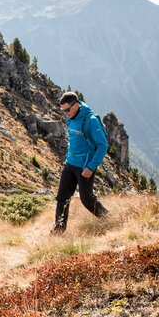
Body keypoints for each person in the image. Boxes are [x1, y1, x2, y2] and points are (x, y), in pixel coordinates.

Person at [53, 92, 108, 234]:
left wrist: (91, 167)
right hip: (70, 163)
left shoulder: (90, 120)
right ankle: (58, 230)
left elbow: (102, 145)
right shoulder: (70, 117)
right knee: (62, 198)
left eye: (67, 110)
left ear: (76, 105)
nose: (65, 113)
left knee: (86, 198)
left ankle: (108, 218)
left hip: (85, 166)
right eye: (63, 110)